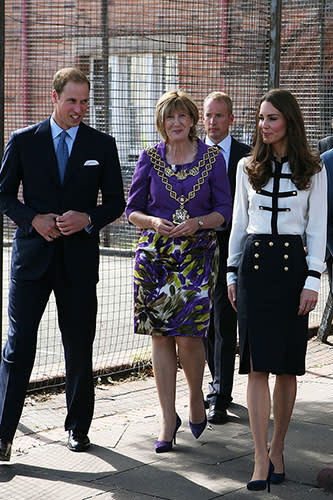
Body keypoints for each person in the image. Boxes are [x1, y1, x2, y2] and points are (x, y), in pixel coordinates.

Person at [0, 67, 125, 461]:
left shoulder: (102, 145)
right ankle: (3, 435)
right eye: (72, 100)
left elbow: (117, 203)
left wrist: (88, 218)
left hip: (77, 264)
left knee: (78, 346)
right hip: (32, 263)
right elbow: (3, 196)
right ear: (54, 98)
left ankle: (77, 428)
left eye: (85, 101)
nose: (79, 109)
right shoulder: (23, 141)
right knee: (19, 347)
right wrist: (31, 219)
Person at [227, 89, 327, 491]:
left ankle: (278, 448)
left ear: (289, 121)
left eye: (271, 118)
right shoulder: (246, 166)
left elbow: (317, 228)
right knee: (256, 365)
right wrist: (231, 274)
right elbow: (237, 223)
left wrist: (313, 279)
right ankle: (257, 457)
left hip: (292, 269)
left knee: (286, 366)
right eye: (260, 118)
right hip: (253, 267)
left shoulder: (314, 169)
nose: (264, 126)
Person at [126, 90, 232, 453]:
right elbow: (132, 211)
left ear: (192, 121)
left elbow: (224, 211)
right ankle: (167, 417)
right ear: (162, 122)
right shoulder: (150, 158)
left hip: (197, 254)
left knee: (188, 336)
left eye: (182, 117)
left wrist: (198, 223)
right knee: (160, 336)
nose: (176, 123)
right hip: (155, 255)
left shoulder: (213, 158)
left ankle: (196, 396)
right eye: (169, 118)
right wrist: (153, 221)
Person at [203, 91, 250, 424]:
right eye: (208, 116)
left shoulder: (248, 156)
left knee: (224, 319)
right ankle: (216, 380)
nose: (212, 122)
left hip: (233, 248)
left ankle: (220, 394)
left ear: (231, 119)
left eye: (219, 116)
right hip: (198, 247)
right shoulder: (192, 155)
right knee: (204, 322)